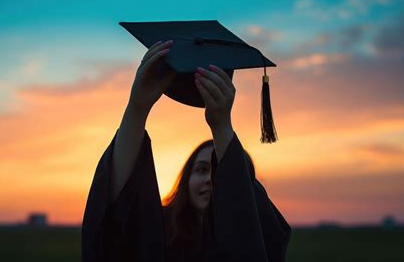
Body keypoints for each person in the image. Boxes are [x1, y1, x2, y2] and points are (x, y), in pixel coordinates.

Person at [81, 40, 291, 262]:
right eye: (201, 169)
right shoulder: (160, 229)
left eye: (217, 174)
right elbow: (116, 218)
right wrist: (137, 108)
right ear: (185, 178)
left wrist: (222, 126)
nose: (210, 180)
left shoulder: (257, 227)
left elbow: (252, 235)